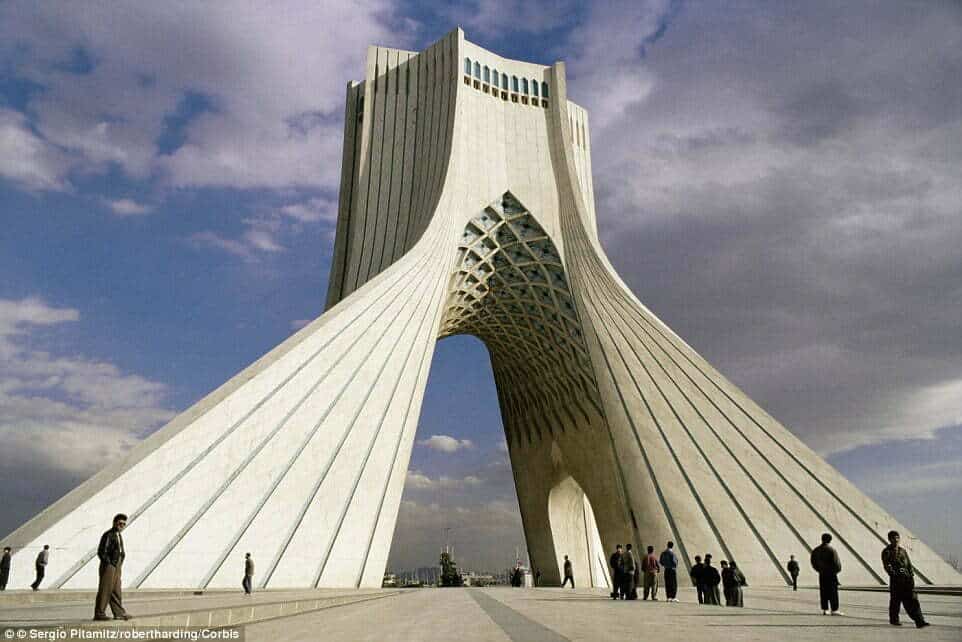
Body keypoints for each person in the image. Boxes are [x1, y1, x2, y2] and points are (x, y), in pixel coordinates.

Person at [881, 530, 929, 628]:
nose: (896, 540)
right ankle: (894, 619)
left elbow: (909, 563)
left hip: (907, 579)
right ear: (889, 539)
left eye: (897, 538)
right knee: (895, 601)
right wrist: (894, 574)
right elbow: (887, 565)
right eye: (894, 538)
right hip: (896, 580)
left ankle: (920, 620)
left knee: (912, 599)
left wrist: (911, 573)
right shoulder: (887, 551)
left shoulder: (903, 551)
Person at [95, 514, 131, 621]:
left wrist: (120, 562)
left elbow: (120, 551)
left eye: (124, 524)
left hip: (117, 565)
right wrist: (109, 563)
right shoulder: (108, 535)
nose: (122, 526)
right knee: (105, 589)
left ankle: (119, 613)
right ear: (114, 523)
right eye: (120, 523)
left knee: (116, 590)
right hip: (110, 565)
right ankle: (99, 613)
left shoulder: (118, 535)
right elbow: (102, 552)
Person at [810, 532, 843, 615]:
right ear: (830, 540)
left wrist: (819, 570)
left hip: (822, 573)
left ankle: (825, 609)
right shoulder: (831, 550)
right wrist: (836, 571)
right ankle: (834, 609)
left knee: (823, 591)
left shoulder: (816, 550)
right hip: (831, 573)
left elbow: (813, 562)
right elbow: (836, 563)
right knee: (833, 591)